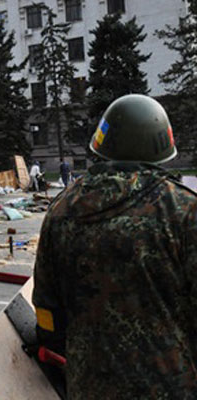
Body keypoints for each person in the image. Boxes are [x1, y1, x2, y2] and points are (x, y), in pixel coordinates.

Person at [32, 94, 197, 399]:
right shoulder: (183, 210)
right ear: (160, 147)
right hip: (170, 386)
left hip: (88, 386)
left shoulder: (61, 210)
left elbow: (46, 307)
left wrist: (53, 347)